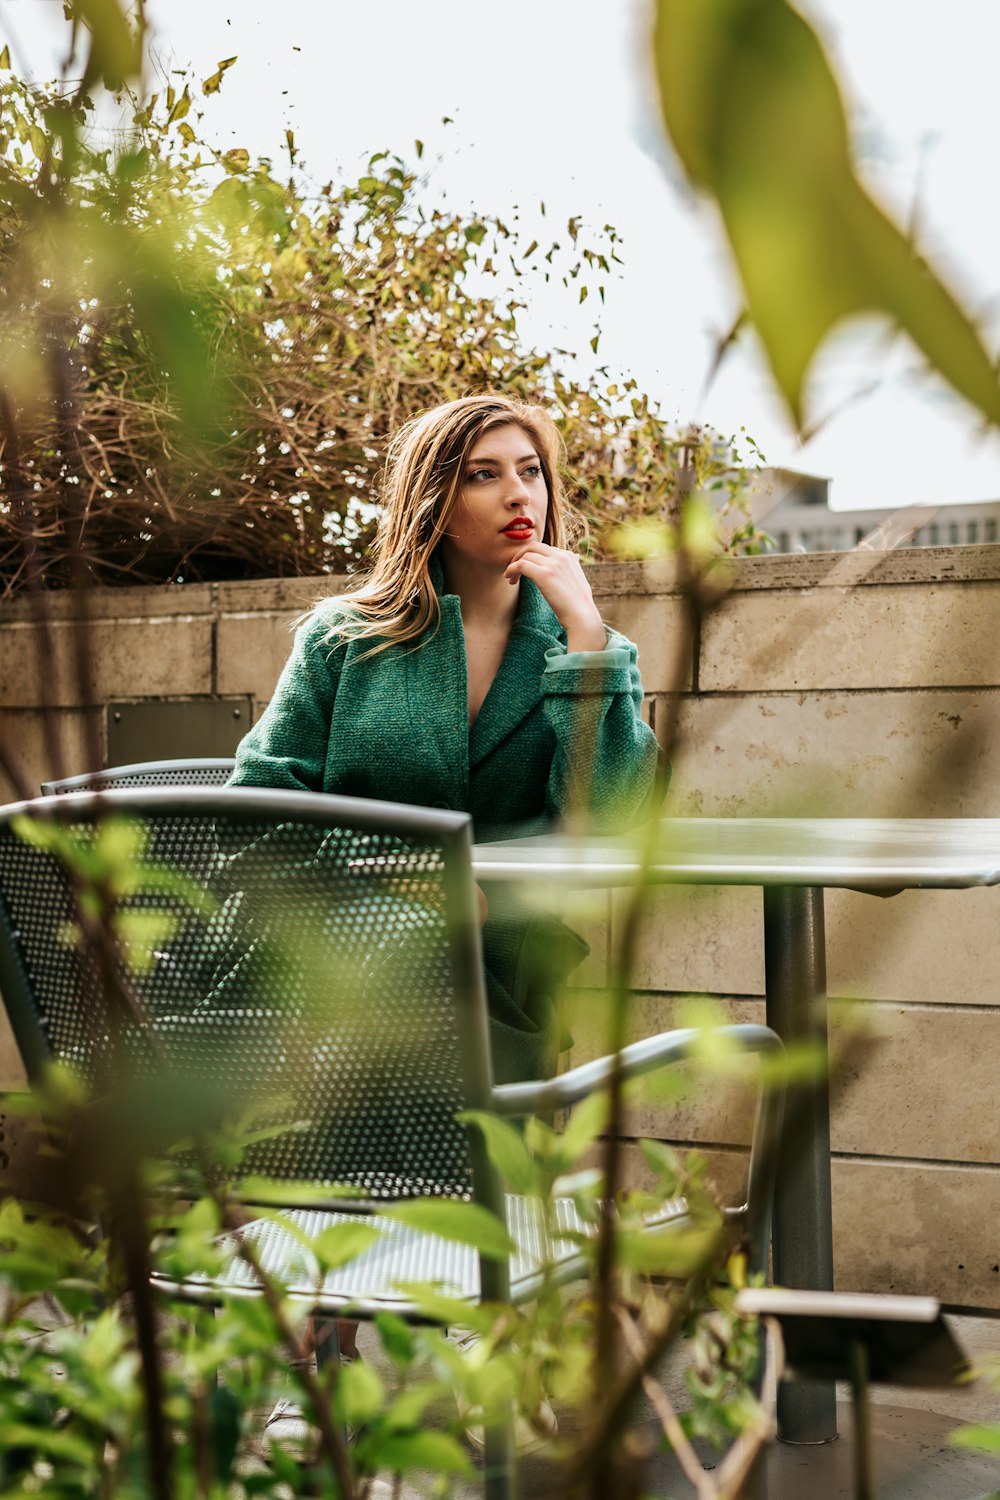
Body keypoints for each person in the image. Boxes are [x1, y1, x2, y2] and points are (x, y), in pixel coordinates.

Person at [227, 391, 662, 1453]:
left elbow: (608, 822)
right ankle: (486, 1331)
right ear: (433, 497)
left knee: (422, 1022)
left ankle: (334, 1331)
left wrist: (588, 640)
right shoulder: (347, 638)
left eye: (531, 471)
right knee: (379, 1007)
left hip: (503, 965)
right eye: (483, 473)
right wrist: (401, 877)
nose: (519, 495)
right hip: (342, 960)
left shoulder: (591, 649)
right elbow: (256, 806)